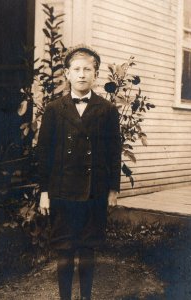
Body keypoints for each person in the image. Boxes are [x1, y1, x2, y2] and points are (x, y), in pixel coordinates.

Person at [37, 44, 121, 300]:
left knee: (87, 249)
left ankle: (85, 297)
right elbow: (44, 154)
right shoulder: (54, 109)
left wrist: (113, 190)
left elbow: (113, 153)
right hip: (62, 191)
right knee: (64, 250)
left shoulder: (107, 110)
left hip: (93, 191)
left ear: (96, 75)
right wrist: (43, 192)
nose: (82, 74)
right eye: (77, 69)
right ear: (67, 74)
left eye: (88, 69)